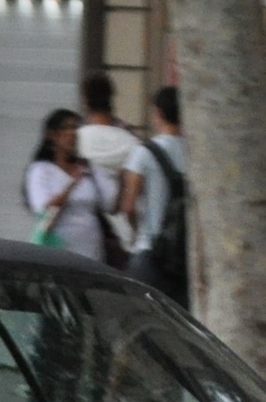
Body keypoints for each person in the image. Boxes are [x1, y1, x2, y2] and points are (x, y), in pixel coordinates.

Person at [116, 85, 189, 302]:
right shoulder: (196, 154)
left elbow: (128, 206)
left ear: (158, 112)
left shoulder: (144, 153)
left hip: (150, 253)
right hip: (184, 261)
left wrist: (136, 230)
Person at [24, 108, 120, 264]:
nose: (72, 133)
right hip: (57, 249)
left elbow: (111, 203)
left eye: (75, 127)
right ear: (52, 135)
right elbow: (44, 208)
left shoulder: (87, 166)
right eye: (66, 128)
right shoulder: (41, 170)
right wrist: (72, 184)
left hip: (91, 251)